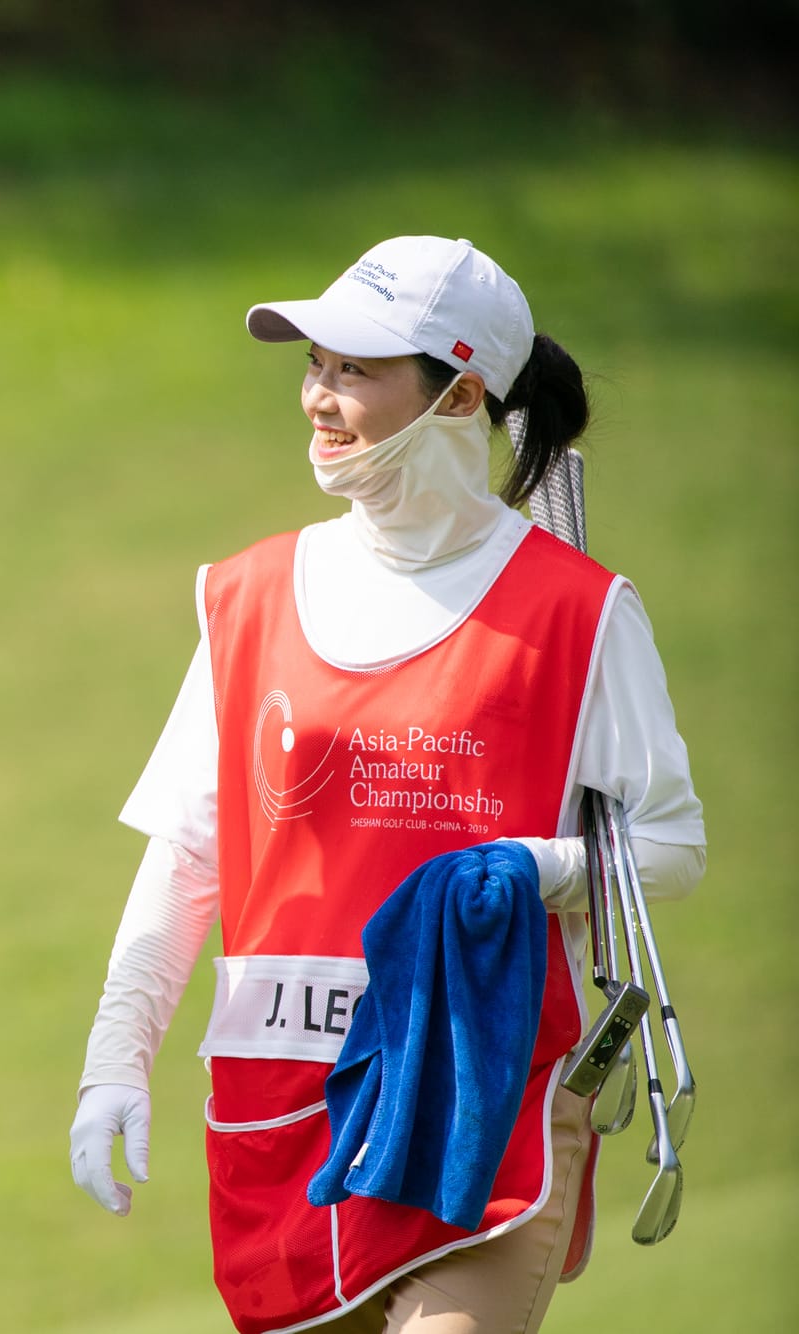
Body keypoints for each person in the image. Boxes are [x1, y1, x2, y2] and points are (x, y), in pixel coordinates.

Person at [67, 236, 705, 1334]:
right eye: (313, 363)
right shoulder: (247, 591)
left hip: (480, 1100)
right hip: (280, 1112)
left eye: (354, 369)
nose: (318, 394)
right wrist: (113, 1055)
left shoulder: (580, 609)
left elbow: (667, 844)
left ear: (459, 390)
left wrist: (531, 865)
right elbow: (187, 853)